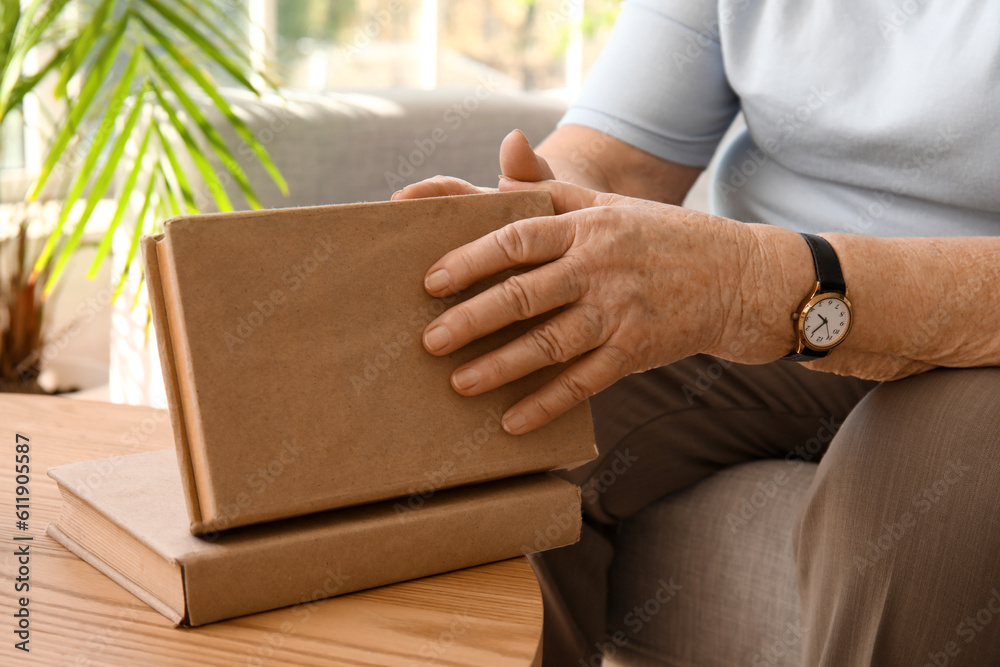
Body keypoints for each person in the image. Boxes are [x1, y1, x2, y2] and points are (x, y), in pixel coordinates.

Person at [394, 0, 1000, 664]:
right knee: (492, 402)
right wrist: (547, 219)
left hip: (976, 333)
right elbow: (617, 161)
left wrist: (755, 280)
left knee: (913, 505)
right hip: (778, 314)